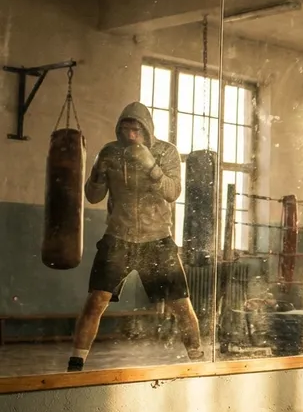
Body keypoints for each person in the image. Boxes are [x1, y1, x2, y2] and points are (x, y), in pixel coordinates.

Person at [68, 102, 204, 372]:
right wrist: (97, 172)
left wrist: (151, 166)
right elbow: (93, 196)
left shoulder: (166, 152)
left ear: (147, 130)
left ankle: (198, 358)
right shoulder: (109, 152)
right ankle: (75, 362)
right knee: (96, 300)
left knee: (180, 304)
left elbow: (173, 192)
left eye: (136, 130)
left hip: (157, 238)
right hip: (119, 236)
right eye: (126, 129)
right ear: (119, 129)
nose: (131, 135)